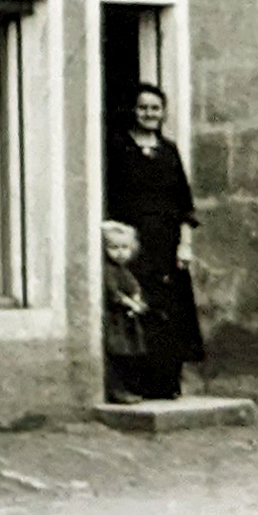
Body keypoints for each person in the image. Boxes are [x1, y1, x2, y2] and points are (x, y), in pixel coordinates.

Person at [104, 83, 203, 401]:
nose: (149, 114)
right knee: (134, 308)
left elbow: (185, 203)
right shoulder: (118, 147)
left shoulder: (169, 151)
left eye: (155, 108)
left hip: (167, 245)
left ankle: (166, 383)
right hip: (130, 245)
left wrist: (184, 244)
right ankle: (134, 383)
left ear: (163, 113)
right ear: (133, 111)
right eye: (143, 107)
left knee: (169, 312)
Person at [100, 219, 152, 403]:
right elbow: (113, 292)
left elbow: (133, 286)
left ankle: (129, 387)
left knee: (128, 354)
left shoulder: (124, 270)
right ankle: (116, 391)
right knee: (117, 354)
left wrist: (137, 298)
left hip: (126, 320)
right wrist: (130, 303)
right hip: (115, 319)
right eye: (114, 247)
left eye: (125, 247)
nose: (120, 252)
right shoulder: (108, 270)